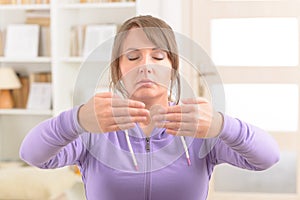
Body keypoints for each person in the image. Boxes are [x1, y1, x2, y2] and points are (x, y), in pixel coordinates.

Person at [20, 15, 280, 200]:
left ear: (172, 68)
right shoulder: (94, 127)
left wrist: (222, 125)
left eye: (158, 56)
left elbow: (267, 158)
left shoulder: (197, 127)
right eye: (133, 56)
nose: (146, 65)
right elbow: (32, 154)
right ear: (117, 69)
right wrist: (75, 120)